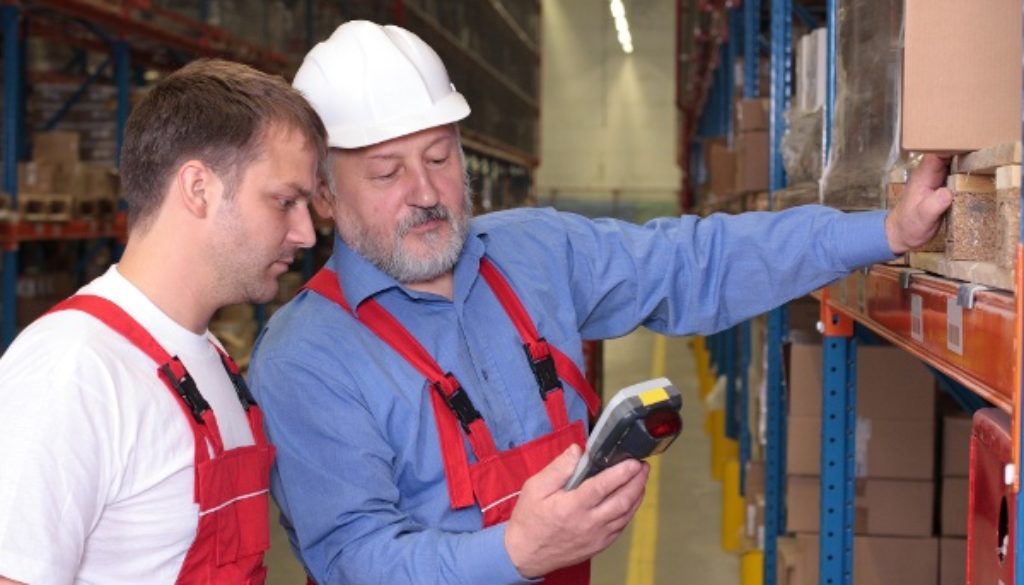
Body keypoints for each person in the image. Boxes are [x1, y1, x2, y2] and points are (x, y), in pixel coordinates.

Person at [247, 20, 952, 585]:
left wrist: (883, 231)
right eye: (386, 172)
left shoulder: (534, 253)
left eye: (439, 157)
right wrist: (516, 551)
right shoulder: (304, 356)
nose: (426, 192)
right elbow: (352, 558)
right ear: (327, 196)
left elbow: (696, 261)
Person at [0, 59, 327, 585]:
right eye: (285, 201)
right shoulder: (74, 370)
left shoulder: (210, 360)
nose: (306, 233)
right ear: (198, 188)